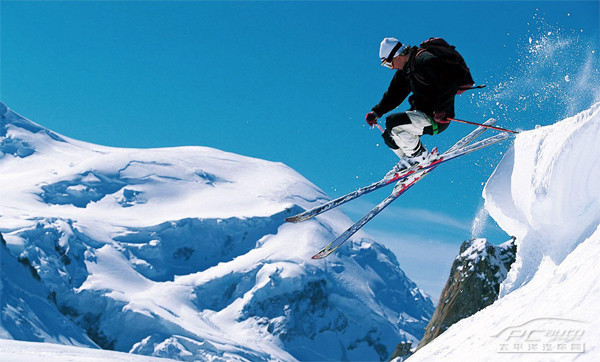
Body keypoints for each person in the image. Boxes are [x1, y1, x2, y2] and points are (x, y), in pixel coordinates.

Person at [366, 37, 474, 168]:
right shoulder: (406, 70)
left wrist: (442, 109)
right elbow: (393, 95)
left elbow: (449, 83)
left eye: (389, 64)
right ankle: (407, 163)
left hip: (437, 118)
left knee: (393, 122)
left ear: (397, 55)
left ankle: (418, 156)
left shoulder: (425, 61)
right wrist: (376, 112)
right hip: (421, 114)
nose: (392, 68)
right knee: (389, 136)